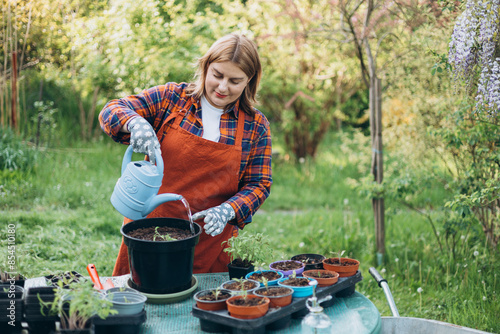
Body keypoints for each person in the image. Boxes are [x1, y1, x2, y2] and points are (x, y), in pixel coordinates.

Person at [99, 33, 272, 275]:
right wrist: (134, 123)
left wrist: (229, 210)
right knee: (138, 302)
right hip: (148, 232)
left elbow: (259, 183)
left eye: (235, 80)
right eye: (217, 75)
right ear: (205, 67)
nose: (223, 87)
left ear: (249, 81)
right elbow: (112, 109)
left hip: (210, 242)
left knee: (204, 306)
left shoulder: (255, 125)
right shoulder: (172, 99)